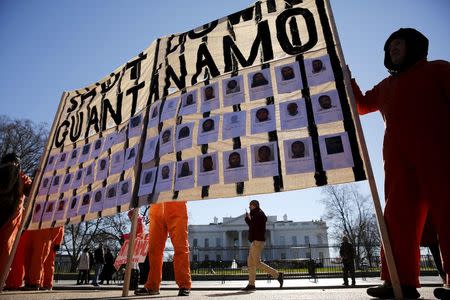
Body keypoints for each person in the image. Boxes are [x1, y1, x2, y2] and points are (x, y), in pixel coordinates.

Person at [351, 28, 450, 299]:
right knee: (396, 221)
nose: (392, 49)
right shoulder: (385, 86)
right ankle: (399, 282)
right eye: (389, 46)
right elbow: (359, 105)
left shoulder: (438, 70)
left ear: (415, 47)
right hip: (398, 166)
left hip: (441, 158)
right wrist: (346, 78)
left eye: (398, 44)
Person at [135, 202, 191, 296]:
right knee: (154, 250)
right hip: (156, 206)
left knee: (180, 246)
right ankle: (152, 285)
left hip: (176, 204)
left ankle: (184, 285)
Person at [0, 153, 32, 285]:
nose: (13, 165)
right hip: (8, 216)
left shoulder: (22, 178)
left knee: (6, 250)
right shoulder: (19, 176)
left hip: (11, 218)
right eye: (11, 162)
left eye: (15, 163)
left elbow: (30, 189)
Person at [241, 200, 283, 291]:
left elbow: (253, 225)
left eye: (250, 206)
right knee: (250, 263)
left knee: (257, 263)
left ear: (254, 206)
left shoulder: (259, 214)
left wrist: (247, 218)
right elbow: (254, 225)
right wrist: (249, 217)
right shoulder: (257, 214)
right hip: (255, 241)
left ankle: (277, 275)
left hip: (258, 241)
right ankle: (251, 284)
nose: (249, 207)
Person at [40, 226, 64, 290]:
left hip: (51, 242)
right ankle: (45, 283)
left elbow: (60, 229)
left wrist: (58, 243)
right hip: (49, 241)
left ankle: (47, 284)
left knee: (48, 264)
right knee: (45, 264)